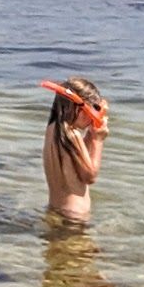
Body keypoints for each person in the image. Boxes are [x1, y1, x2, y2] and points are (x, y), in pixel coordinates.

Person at [41, 77, 108, 226]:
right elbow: (90, 176)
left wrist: (91, 134)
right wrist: (98, 141)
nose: (91, 118)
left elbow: (75, 160)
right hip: (74, 218)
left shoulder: (53, 131)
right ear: (75, 106)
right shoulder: (72, 135)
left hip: (56, 210)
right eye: (89, 111)